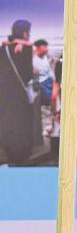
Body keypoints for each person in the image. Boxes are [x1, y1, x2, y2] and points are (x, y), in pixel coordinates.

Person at [0, 20, 37, 165]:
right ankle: (21, 155)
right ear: (25, 33)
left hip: (4, 94)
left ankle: (9, 153)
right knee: (22, 122)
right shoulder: (25, 49)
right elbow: (28, 75)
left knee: (7, 122)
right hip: (19, 95)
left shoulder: (3, 48)